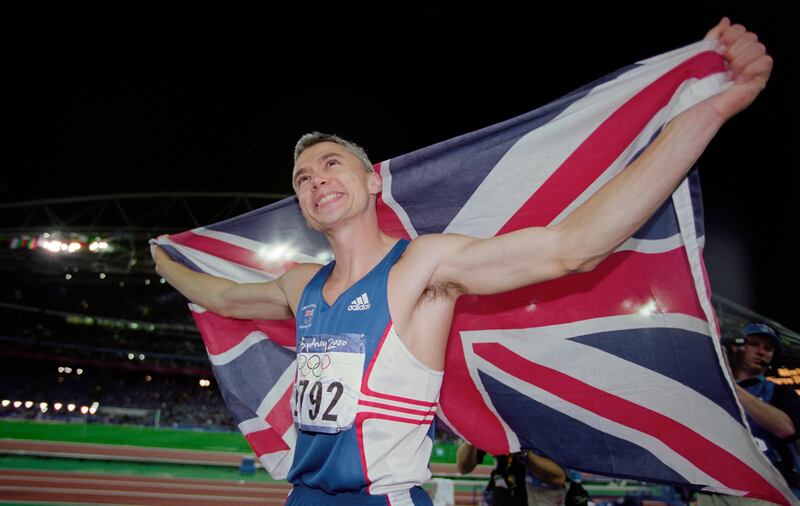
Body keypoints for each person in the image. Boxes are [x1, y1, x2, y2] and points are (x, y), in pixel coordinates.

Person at [152, 18, 771, 506]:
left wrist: (707, 112)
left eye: (332, 164)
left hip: (382, 500)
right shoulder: (299, 286)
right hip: (303, 497)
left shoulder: (422, 268)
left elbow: (571, 247)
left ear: (371, 183)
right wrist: (162, 260)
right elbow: (227, 299)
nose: (316, 180)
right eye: (302, 178)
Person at [719, 323, 800, 501]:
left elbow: (786, 429)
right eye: (754, 344)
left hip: (774, 490)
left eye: (768, 348)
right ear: (736, 347)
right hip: (723, 488)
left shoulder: (781, 392)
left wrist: (731, 387)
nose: (761, 351)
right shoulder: (712, 391)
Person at [456, 441, 570, 506]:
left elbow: (558, 477)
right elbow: (463, 468)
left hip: (539, 500)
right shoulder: (497, 418)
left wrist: (523, 453)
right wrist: (470, 435)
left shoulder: (545, 425)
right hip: (499, 499)